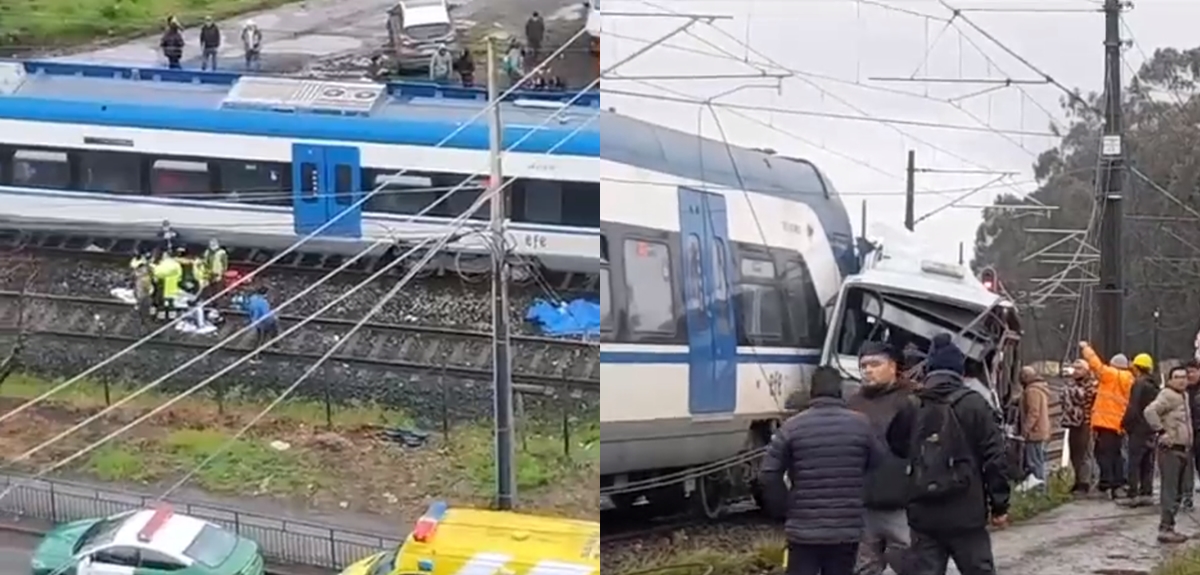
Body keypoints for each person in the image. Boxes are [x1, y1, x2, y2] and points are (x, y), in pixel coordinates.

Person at [887, 333, 1009, 575]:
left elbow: (896, 446)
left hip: (923, 513)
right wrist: (999, 506)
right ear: (960, 371)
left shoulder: (912, 404)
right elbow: (995, 458)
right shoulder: (975, 404)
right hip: (967, 512)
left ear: (929, 369)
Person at [760, 365, 885, 575]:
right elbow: (878, 461)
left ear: (812, 391)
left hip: (803, 529)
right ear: (840, 391)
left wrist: (783, 507)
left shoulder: (792, 426)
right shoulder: (862, 424)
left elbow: (768, 474)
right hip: (846, 528)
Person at [846, 342, 914, 575]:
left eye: (875, 364)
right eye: (863, 365)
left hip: (903, 504)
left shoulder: (912, 400)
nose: (868, 370)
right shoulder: (853, 404)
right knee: (864, 567)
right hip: (863, 503)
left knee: (912, 565)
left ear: (894, 366)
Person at [1143, 365, 1194, 543]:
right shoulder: (1167, 395)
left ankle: (1170, 526)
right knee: (1170, 490)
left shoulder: (1184, 396)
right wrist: (1161, 431)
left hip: (1183, 449)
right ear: (1170, 379)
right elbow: (1150, 411)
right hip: (1170, 450)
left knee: (1178, 490)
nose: (1181, 380)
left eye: (1184, 377)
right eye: (1177, 377)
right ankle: (1165, 528)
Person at [1080, 341, 1134, 499]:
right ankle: (1118, 483)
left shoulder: (1111, 375)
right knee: (1116, 454)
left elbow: (1095, 364)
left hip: (1105, 421)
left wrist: (1085, 348)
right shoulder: (1130, 378)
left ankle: (1106, 484)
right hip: (1119, 423)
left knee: (1103, 454)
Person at [1119, 353, 1160, 507]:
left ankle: (1133, 493)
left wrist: (1124, 424)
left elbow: (1133, 407)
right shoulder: (1154, 384)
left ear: (1137, 367)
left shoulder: (1139, 384)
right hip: (1151, 428)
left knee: (1134, 462)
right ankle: (1146, 492)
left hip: (1138, 429)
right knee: (1148, 462)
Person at [1061, 358, 1098, 495]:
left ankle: (1085, 482)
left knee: (1084, 453)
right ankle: (1077, 480)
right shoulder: (1070, 384)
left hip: (1086, 423)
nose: (1075, 371)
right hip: (1072, 423)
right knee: (1074, 452)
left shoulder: (1092, 385)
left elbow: (1086, 399)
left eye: (1079, 368)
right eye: (1074, 368)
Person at [1019, 366, 1052, 484]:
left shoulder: (1032, 391)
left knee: (1034, 460)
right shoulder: (1039, 388)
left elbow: (1034, 412)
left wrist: (1025, 429)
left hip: (1035, 431)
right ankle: (1040, 484)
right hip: (1041, 429)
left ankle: (1038, 485)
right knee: (1039, 459)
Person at [1185, 360, 1200, 509]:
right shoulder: (1184, 390)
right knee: (1187, 466)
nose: (1191, 375)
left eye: (1193, 371)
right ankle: (1187, 497)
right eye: (1188, 372)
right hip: (1187, 433)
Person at [245, 286, 278, 352]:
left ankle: (274, 344)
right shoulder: (263, 302)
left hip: (256, 320)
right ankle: (274, 345)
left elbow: (250, 309)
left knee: (260, 336)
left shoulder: (252, 299)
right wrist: (274, 316)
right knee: (266, 335)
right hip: (264, 321)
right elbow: (266, 313)